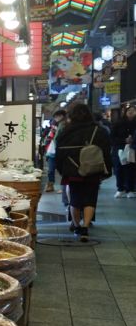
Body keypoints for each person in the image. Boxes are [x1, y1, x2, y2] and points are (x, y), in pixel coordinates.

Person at [55, 101, 111, 241]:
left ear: (72, 115)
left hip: (73, 171)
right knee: (90, 200)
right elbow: (106, 152)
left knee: (75, 200)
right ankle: (85, 227)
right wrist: (107, 170)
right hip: (93, 170)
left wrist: (61, 169)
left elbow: (59, 153)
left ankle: (77, 226)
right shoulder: (99, 131)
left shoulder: (66, 131)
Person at [110, 104, 136, 198]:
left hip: (133, 149)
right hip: (120, 149)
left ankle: (130, 189)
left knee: (131, 169)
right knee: (119, 169)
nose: (131, 112)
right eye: (129, 111)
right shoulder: (118, 123)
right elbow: (112, 138)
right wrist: (124, 140)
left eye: (133, 111)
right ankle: (120, 188)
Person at [41, 109, 67, 192]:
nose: (56, 118)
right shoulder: (54, 124)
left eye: (57, 116)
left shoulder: (66, 125)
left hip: (60, 150)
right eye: (55, 117)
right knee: (51, 169)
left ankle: (63, 187)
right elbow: (49, 136)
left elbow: (59, 138)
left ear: (62, 116)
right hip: (52, 150)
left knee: (62, 170)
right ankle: (51, 185)